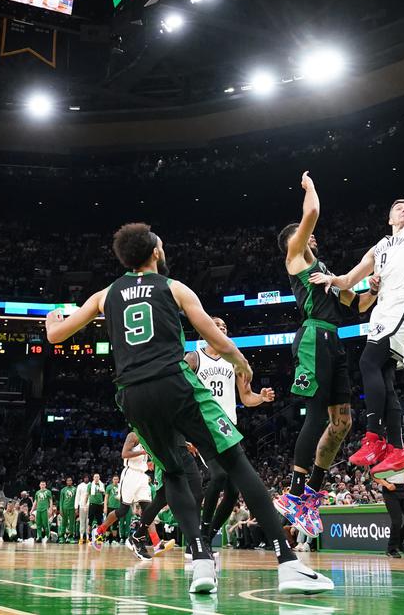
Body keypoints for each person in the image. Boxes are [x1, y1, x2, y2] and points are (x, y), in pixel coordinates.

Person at [45, 222, 332, 594]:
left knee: (175, 474)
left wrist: (53, 320)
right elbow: (214, 336)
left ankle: (200, 562)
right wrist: (241, 360)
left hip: (132, 394)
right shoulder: (173, 287)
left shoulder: (105, 295)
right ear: (154, 253)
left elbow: (56, 334)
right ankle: (287, 562)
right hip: (175, 383)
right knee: (235, 462)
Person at [310, 115, 404, 480]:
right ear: (389, 217)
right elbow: (349, 279)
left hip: (403, 308)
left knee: (366, 364)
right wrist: (332, 278)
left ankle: (374, 437)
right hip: (384, 311)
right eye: (400, 207)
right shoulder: (380, 246)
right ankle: (398, 449)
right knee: (385, 380)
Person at [274, 171, 375, 538]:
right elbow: (312, 212)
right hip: (313, 336)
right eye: (303, 232)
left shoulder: (325, 274)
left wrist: (374, 289)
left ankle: (310, 495)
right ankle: (293, 494)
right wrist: (310, 188)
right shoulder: (296, 258)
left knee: (342, 423)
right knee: (316, 416)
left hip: (336, 340)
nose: (311, 234)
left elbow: (359, 305)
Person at [186, 315, 277, 547]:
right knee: (219, 475)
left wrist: (262, 398)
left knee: (234, 492)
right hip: (204, 427)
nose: (222, 328)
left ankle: (205, 537)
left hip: (228, 428)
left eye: (225, 326)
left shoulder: (235, 361)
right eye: (216, 325)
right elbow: (180, 395)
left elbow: (246, 399)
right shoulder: (194, 358)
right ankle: (200, 537)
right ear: (205, 329)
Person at [93, 432, 152, 554]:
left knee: (149, 510)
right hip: (130, 474)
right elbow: (124, 454)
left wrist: (148, 462)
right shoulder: (134, 435)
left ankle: (139, 539)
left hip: (142, 476)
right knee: (123, 510)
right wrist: (141, 453)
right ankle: (99, 530)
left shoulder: (149, 436)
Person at [377, 471, 404, 558]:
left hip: (403, 488)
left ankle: (399, 540)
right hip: (390, 489)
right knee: (397, 521)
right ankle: (391, 549)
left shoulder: (403, 457)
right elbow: (374, 475)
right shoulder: (383, 458)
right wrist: (387, 484)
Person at [58, 477, 77, 543]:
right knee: (64, 523)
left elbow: (76, 500)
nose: (69, 481)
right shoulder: (63, 490)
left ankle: (71, 537)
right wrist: (60, 509)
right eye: (68, 480)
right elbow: (61, 500)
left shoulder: (75, 489)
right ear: (66, 482)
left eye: (70, 480)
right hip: (64, 508)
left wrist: (76, 508)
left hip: (72, 508)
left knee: (72, 523)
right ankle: (62, 537)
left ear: (72, 481)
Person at [75, 475, 91, 543]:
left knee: (88, 522)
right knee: (82, 521)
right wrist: (76, 507)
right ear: (83, 478)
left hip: (90, 506)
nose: (86, 478)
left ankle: (87, 537)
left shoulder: (91, 485)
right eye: (85, 477)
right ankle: (81, 537)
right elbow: (77, 496)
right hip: (81, 505)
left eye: (87, 477)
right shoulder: (80, 486)